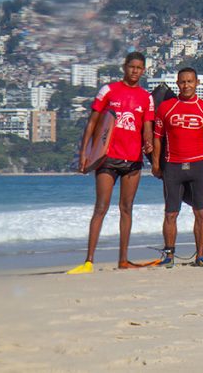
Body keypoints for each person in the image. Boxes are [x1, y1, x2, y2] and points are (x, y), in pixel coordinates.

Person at [68, 52, 155, 274]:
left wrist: (148, 144)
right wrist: (84, 153)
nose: (135, 71)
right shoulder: (109, 90)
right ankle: (89, 260)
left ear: (144, 70)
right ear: (124, 67)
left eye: (139, 68)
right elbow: (92, 123)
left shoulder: (146, 97)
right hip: (107, 158)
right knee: (101, 208)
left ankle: (123, 259)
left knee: (126, 209)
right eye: (132, 67)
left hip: (133, 160)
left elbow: (146, 126)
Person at [151, 67, 203, 267]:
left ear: (196, 83)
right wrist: (157, 164)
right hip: (172, 166)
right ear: (177, 83)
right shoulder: (166, 108)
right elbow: (157, 139)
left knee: (201, 212)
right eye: (182, 82)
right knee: (170, 213)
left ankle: (200, 256)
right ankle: (169, 255)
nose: (186, 86)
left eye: (190, 82)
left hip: (199, 166)